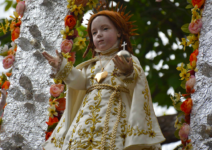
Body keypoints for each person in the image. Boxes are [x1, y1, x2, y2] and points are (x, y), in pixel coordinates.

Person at [42, 7, 165, 150]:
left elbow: (136, 80)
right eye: (94, 32)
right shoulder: (92, 65)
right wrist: (62, 67)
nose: (99, 35)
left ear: (119, 32)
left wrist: (128, 71)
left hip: (115, 114)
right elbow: (81, 81)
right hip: (85, 119)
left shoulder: (125, 57)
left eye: (105, 29)